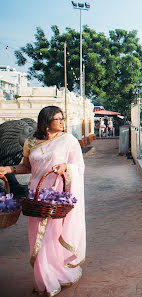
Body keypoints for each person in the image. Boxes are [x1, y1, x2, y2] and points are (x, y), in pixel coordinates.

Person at [0, 106, 85, 296]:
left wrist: (66, 167)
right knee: (37, 238)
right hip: (36, 198)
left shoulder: (68, 141)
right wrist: (9, 169)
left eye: (63, 118)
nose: (62, 122)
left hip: (55, 196)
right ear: (46, 122)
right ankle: (43, 279)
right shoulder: (30, 143)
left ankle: (54, 277)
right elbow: (26, 166)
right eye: (58, 119)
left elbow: (79, 166)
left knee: (52, 237)